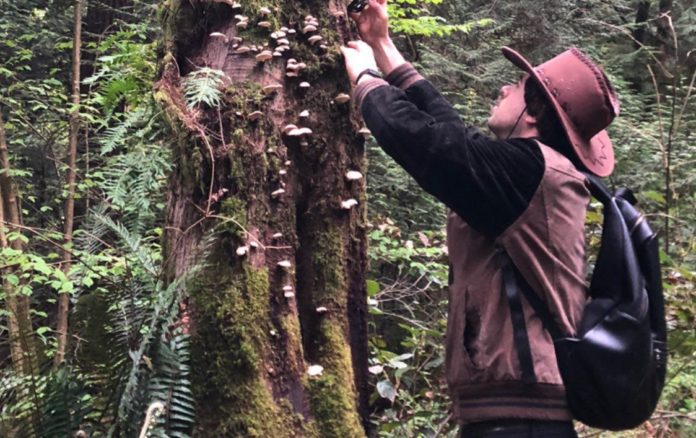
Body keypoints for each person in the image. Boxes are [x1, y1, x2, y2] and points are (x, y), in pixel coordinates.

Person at [341, 0, 620, 437]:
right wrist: (381, 45)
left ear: (533, 113)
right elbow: (452, 131)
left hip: (520, 420)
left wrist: (364, 79)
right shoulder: (534, 172)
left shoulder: (528, 171)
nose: (505, 88)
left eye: (517, 85)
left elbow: (428, 143)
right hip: (518, 413)